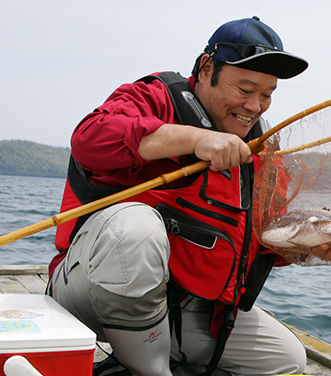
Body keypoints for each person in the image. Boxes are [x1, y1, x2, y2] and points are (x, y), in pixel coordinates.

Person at [47, 16, 310, 376]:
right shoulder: (154, 97)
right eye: (245, 89)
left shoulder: (258, 151)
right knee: (134, 226)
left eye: (267, 94)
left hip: (185, 310)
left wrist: (307, 246)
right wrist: (195, 139)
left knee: (287, 360)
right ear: (206, 69)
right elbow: (89, 138)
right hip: (88, 294)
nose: (255, 106)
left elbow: (258, 245)